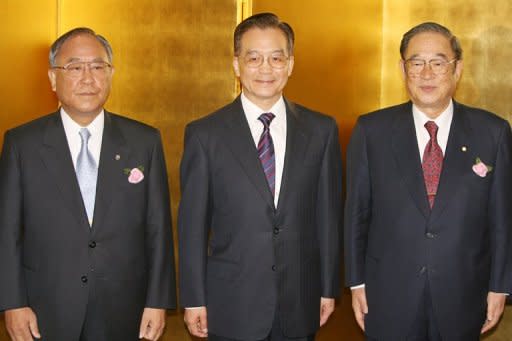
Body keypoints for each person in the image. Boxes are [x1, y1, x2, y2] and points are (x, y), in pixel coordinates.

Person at [0, 27, 176, 341]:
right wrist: (12, 302)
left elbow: (158, 227)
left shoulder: (144, 141)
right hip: (44, 309)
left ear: (110, 75)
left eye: (98, 67)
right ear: (53, 78)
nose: (87, 77)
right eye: (74, 67)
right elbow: (8, 230)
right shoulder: (21, 144)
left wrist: (157, 301)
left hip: (125, 308)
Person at [178, 12, 342, 341]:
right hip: (231, 303)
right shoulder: (205, 134)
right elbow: (192, 225)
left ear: (290, 64)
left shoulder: (321, 130)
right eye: (253, 58)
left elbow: (328, 217)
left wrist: (327, 288)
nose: (265, 68)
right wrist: (193, 298)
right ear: (237, 65)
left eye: (276, 58)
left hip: (299, 300)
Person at [344, 22, 512, 340]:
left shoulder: (493, 132)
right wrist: (356, 282)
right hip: (387, 295)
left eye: (438, 62)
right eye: (416, 62)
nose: (426, 73)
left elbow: (502, 218)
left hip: (464, 293)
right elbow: (356, 213)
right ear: (402, 68)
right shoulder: (372, 131)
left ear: (457, 68)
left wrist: (500, 286)